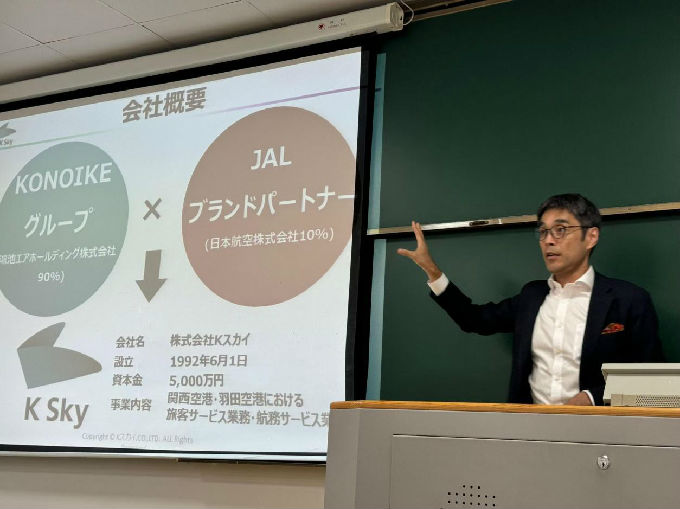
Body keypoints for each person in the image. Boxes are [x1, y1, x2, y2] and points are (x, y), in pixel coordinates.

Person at [397, 193, 664, 406]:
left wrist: (592, 397)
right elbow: (473, 319)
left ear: (591, 237)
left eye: (560, 230)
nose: (548, 241)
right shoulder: (531, 297)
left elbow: (652, 380)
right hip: (530, 431)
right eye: (543, 232)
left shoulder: (629, 299)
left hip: (602, 435)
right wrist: (432, 270)